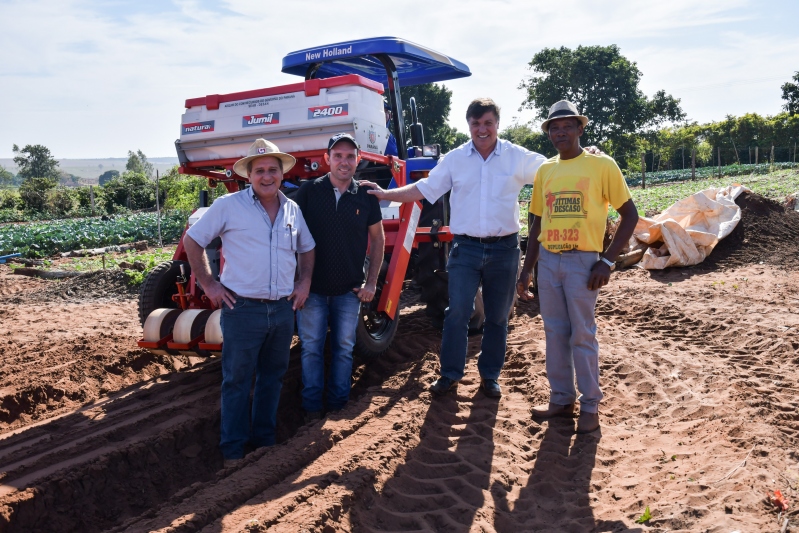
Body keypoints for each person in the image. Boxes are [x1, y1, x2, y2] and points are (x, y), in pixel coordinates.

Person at [361, 98, 547, 399]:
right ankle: (449, 374)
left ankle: (490, 376)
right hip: (466, 249)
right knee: (457, 312)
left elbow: (552, 170)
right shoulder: (456, 159)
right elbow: (422, 189)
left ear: (497, 124)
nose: (482, 129)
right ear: (469, 125)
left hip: (504, 249)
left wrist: (583, 157)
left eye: (487, 123)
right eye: (476, 124)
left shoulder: (516, 156)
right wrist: (385, 192)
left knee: (498, 317)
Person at [183, 138, 315, 466]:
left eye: (273, 170)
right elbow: (192, 240)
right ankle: (233, 451)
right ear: (249, 175)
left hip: (283, 309)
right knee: (237, 381)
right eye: (260, 171)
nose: (267, 176)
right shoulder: (228, 206)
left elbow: (307, 247)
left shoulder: (292, 209)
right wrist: (210, 285)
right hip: (242, 310)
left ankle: (264, 443)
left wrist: (304, 281)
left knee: (272, 377)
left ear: (282, 173)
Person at [516, 100, 639, 434]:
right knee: (555, 332)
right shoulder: (546, 171)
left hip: (584, 262)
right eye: (554, 128)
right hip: (550, 261)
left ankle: (590, 406)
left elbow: (630, 215)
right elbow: (537, 223)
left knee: (582, 333)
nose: (560, 132)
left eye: (567, 126)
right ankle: (561, 399)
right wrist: (527, 270)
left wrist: (607, 260)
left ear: (580, 129)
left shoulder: (602, 166)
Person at [294, 133, 385, 421]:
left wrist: (371, 283)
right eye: (338, 156)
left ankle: (337, 406)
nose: (344, 162)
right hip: (312, 290)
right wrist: (297, 281)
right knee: (311, 349)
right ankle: (310, 408)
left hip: (349, 290)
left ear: (359, 159)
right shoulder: (309, 192)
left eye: (349, 156)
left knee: (344, 349)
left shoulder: (366, 196)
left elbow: (378, 240)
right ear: (327, 159)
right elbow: (291, 233)